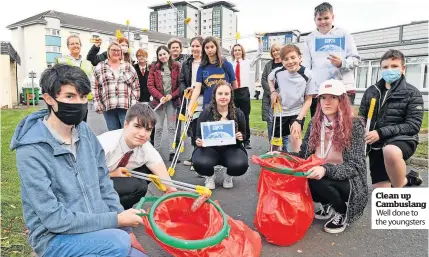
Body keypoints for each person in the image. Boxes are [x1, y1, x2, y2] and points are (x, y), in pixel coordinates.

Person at [10, 64, 147, 257]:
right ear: (49, 99)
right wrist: (117, 221)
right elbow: (54, 219)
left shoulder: (85, 134)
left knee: (130, 247)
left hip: (96, 229)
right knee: (118, 242)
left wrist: (127, 231)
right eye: (69, 96)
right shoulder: (31, 150)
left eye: (82, 97)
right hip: (54, 238)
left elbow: (104, 186)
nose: (79, 103)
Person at [276, 79, 368, 234]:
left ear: (342, 100)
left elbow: (355, 166)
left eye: (333, 97)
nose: (327, 102)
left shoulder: (354, 125)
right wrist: (280, 155)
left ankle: (341, 211)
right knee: (303, 177)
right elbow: (303, 155)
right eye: (323, 98)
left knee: (319, 181)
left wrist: (325, 170)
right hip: (320, 172)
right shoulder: (314, 123)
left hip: (348, 180)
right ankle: (328, 203)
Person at [359, 49, 424, 188]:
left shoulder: (412, 93)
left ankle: (401, 184)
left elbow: (413, 125)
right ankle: (408, 180)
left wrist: (380, 132)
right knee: (381, 192)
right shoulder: (371, 91)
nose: (389, 70)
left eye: (394, 66)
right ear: (381, 69)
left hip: (402, 140)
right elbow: (362, 118)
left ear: (403, 68)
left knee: (390, 151)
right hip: (376, 144)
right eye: (385, 67)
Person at [97, 103, 176, 210]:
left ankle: (123, 208)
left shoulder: (146, 147)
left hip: (113, 178)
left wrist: (174, 196)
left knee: (151, 170)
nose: (142, 134)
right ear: (125, 124)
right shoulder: (106, 144)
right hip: (92, 184)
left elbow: (166, 179)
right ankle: (106, 212)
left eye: (148, 129)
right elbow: (83, 178)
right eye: (137, 126)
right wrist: (112, 174)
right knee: (138, 187)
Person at [302, 2, 360, 117]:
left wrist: (342, 63)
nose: (323, 22)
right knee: (319, 125)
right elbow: (306, 67)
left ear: (333, 17)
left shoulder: (344, 34)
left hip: (343, 88)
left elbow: (356, 59)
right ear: (315, 20)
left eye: (326, 18)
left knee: (343, 125)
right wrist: (308, 88)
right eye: (319, 19)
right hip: (319, 90)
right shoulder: (309, 39)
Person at [192, 80, 249, 189]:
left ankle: (229, 175)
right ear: (215, 96)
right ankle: (209, 176)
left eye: (226, 94)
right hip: (209, 149)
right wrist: (198, 141)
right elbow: (197, 135)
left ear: (231, 96)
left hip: (232, 149)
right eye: (220, 93)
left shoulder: (238, 113)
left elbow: (245, 136)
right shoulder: (206, 112)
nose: (223, 97)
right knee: (200, 162)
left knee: (240, 165)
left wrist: (240, 137)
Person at [268, 44, 317, 152]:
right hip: (280, 112)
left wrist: (298, 120)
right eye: (286, 59)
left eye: (293, 57)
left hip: (297, 112)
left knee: (295, 137)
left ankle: (297, 166)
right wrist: (273, 92)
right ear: (282, 61)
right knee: (275, 143)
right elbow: (269, 79)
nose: (290, 62)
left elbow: (309, 100)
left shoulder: (308, 74)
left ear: (300, 58)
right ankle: (271, 163)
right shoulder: (278, 72)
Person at [93, 42, 140, 131]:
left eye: (118, 50)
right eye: (113, 50)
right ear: (108, 52)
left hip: (126, 106)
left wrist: (133, 104)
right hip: (108, 106)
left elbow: (136, 86)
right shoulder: (100, 66)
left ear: (121, 53)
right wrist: (97, 103)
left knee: (127, 132)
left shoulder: (128, 66)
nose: (116, 52)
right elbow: (95, 87)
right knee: (113, 133)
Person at [187, 36, 238, 116]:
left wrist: (234, 102)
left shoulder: (226, 65)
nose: (209, 50)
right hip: (208, 105)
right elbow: (197, 90)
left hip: (225, 105)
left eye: (212, 47)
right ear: (204, 49)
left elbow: (234, 85)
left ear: (216, 48)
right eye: (207, 47)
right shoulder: (202, 68)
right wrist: (190, 107)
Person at [147, 45, 181, 162]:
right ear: (157, 56)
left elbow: (180, 85)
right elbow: (150, 85)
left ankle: (172, 151)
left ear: (169, 54)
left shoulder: (176, 66)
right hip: (159, 102)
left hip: (172, 102)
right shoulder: (153, 68)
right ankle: (155, 151)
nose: (162, 56)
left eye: (164, 54)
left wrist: (172, 95)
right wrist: (160, 97)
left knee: (172, 127)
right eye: (160, 55)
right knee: (158, 127)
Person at [230, 36, 263, 149]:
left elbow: (259, 54)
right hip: (233, 92)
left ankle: (246, 139)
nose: (237, 52)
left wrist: (259, 41)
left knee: (245, 116)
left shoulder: (247, 62)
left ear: (242, 51)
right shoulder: (230, 64)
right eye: (235, 50)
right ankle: (234, 138)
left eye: (239, 50)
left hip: (244, 91)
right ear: (233, 53)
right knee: (233, 115)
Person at [55, 35, 94, 122]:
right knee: (67, 125)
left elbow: (92, 81)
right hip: (67, 99)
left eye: (77, 43)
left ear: (80, 45)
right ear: (68, 46)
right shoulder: (61, 61)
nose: (75, 45)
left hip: (83, 99)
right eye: (72, 44)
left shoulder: (88, 63)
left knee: (82, 124)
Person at [178, 36, 204, 170]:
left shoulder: (206, 63)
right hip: (190, 98)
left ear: (202, 47)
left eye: (197, 46)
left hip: (203, 98)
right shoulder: (187, 63)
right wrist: (185, 90)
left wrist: (198, 89)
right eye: (192, 46)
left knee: (201, 128)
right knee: (193, 128)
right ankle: (195, 156)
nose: (194, 49)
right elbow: (181, 80)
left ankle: (200, 158)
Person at [261, 42, 288, 149]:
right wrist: (272, 93)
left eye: (278, 50)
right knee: (271, 124)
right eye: (273, 51)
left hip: (284, 99)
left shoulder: (286, 64)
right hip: (270, 99)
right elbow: (264, 80)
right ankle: (273, 149)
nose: (276, 52)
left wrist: (281, 94)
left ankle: (284, 150)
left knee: (283, 124)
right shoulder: (268, 65)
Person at [134, 48, 154, 144]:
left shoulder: (151, 68)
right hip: (138, 98)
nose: (141, 58)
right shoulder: (133, 68)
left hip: (150, 98)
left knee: (150, 119)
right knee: (139, 120)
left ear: (146, 57)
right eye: (139, 56)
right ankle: (140, 138)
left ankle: (151, 139)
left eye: (143, 56)